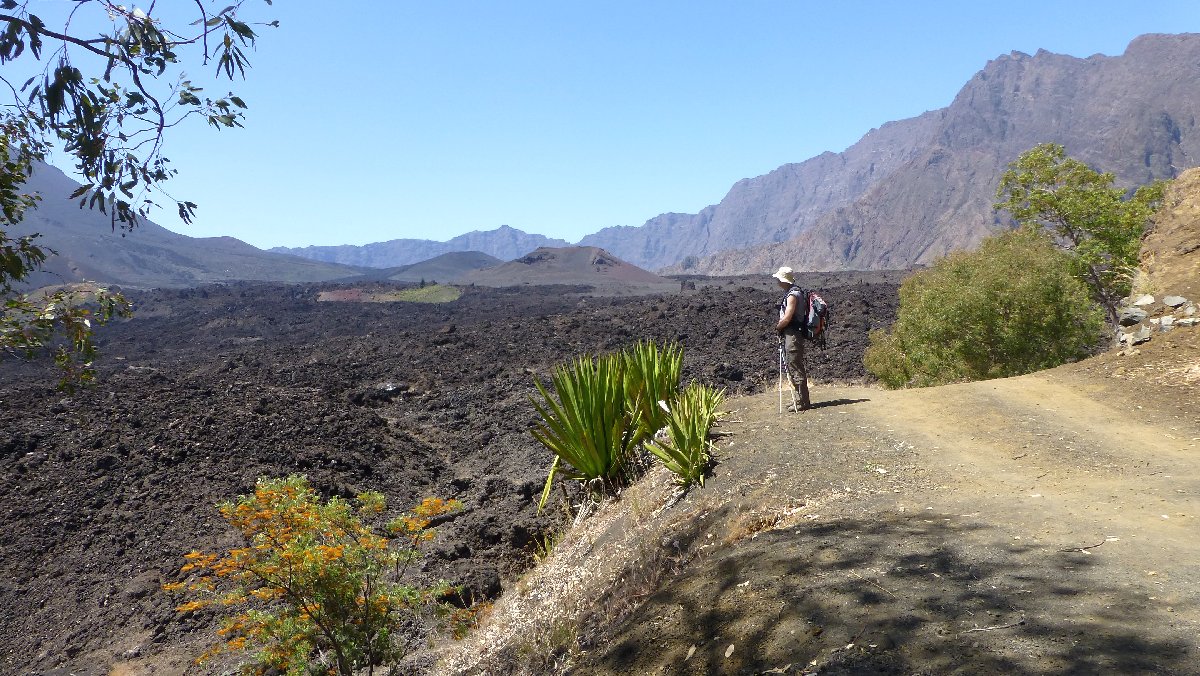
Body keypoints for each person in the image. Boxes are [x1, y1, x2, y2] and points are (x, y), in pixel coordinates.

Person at [773, 266, 811, 412]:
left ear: (784, 280)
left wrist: (778, 327)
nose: (777, 281)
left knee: (795, 365)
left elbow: (788, 317)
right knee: (792, 364)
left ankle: (803, 401)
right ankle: (800, 399)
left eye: (779, 279)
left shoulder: (793, 295)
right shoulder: (792, 293)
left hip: (793, 335)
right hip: (792, 334)